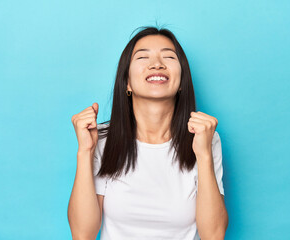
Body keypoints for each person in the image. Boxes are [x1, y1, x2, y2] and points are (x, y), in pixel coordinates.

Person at [68, 26, 228, 240]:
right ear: (127, 82)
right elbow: (83, 234)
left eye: (169, 57)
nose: (157, 64)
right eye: (143, 57)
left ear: (182, 81)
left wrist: (204, 155)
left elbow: (214, 235)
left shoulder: (204, 137)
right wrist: (84, 152)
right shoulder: (103, 139)